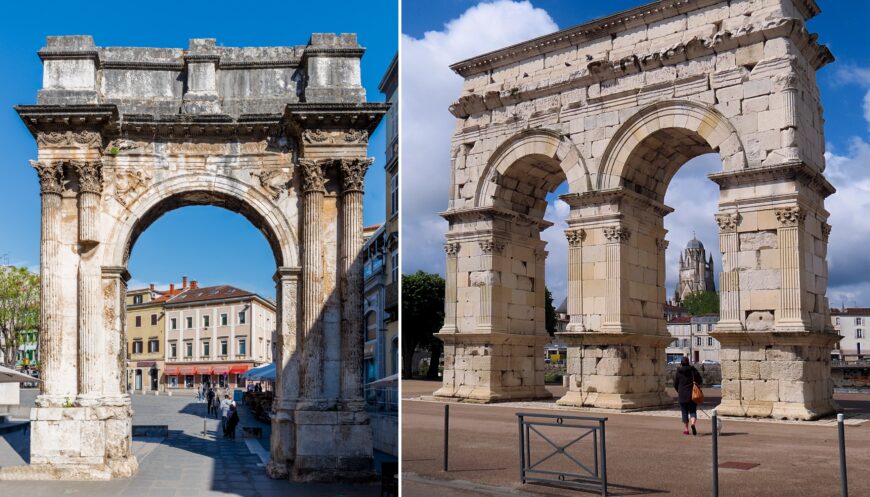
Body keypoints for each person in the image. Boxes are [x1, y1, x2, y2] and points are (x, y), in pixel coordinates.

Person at [674, 356, 703, 436]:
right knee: (693, 411)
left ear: (681, 363)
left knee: (684, 412)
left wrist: (679, 391)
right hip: (692, 395)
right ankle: (693, 423)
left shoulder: (678, 371)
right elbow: (700, 381)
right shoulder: (693, 371)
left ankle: (686, 429)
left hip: (682, 395)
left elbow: (675, 384)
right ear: (688, 362)